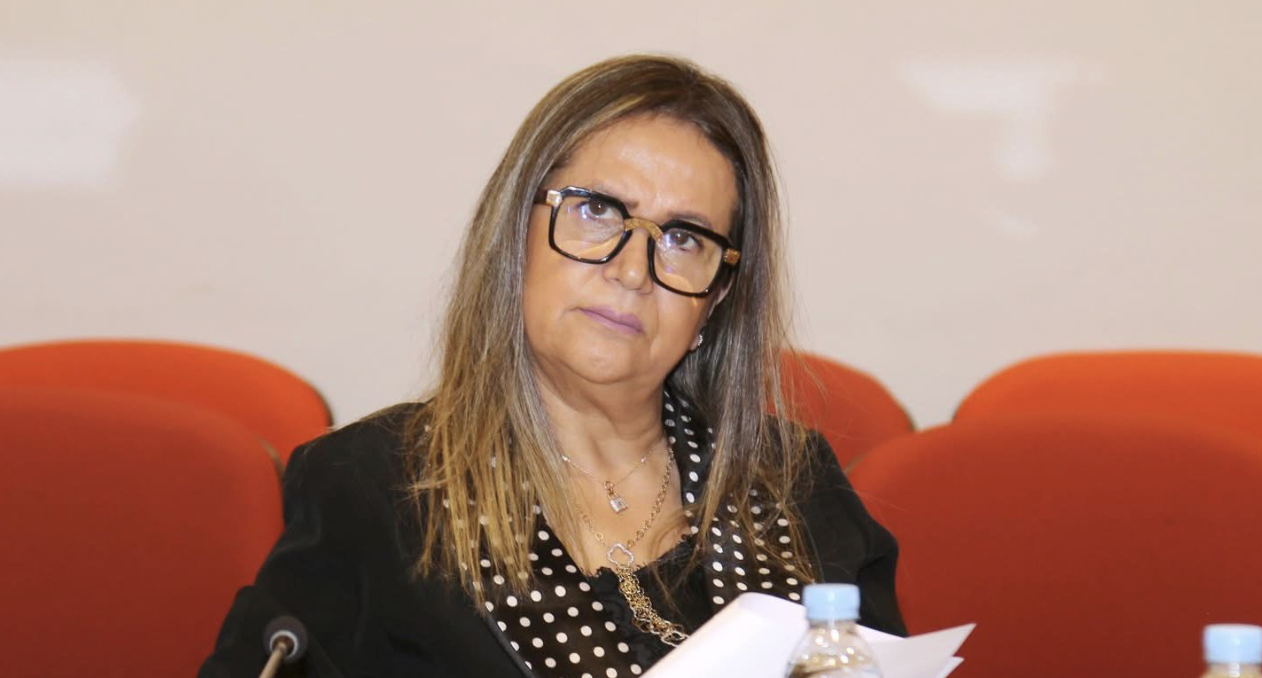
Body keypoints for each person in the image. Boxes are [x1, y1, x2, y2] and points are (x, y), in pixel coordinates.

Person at [200, 54, 904, 678]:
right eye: (598, 210)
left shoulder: (792, 488)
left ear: (715, 300)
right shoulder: (375, 490)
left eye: (684, 238)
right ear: (516, 237)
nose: (633, 271)